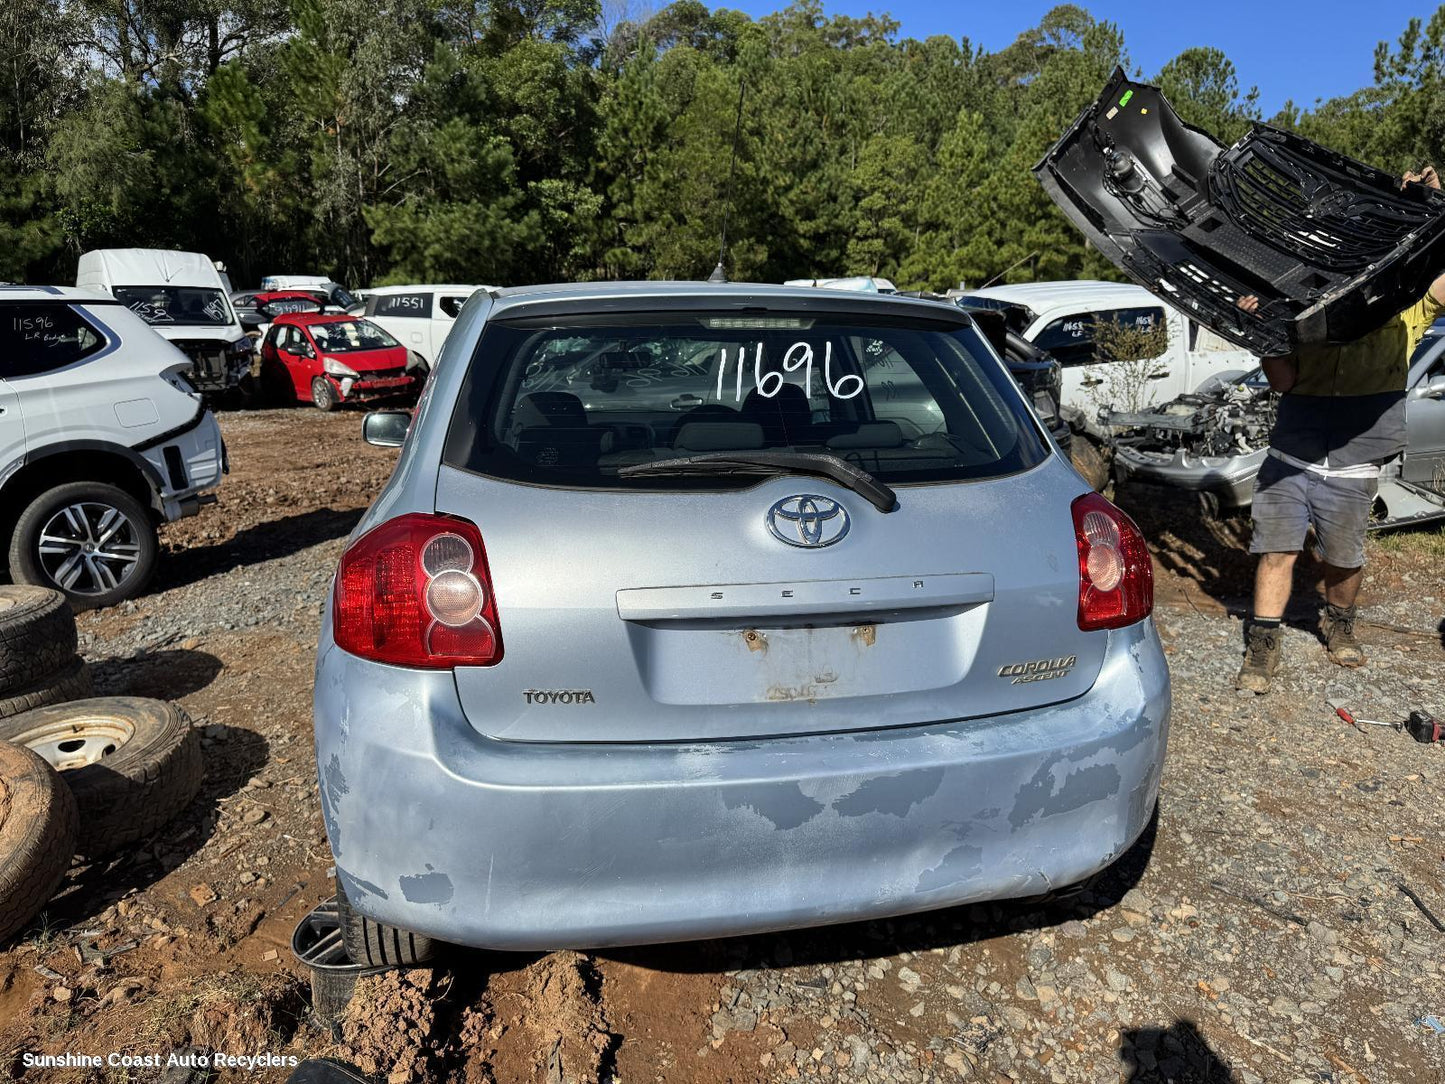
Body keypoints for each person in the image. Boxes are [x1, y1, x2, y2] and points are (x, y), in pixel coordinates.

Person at [1234, 165, 1445, 693]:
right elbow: (1283, 381)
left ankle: (1340, 625)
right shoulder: (1312, 302)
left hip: (1355, 457)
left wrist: (1431, 209)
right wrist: (1264, 333)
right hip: (1293, 451)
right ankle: (1262, 651)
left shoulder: (1412, 302)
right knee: (1276, 549)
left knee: (1342, 557)